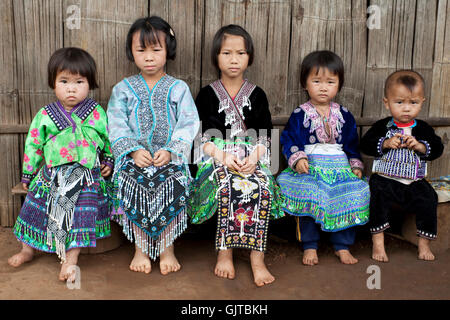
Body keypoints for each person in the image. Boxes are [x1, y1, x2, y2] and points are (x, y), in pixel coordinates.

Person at [188, 25, 284, 287]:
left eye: (240, 53)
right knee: (228, 186)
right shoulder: (206, 95)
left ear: (249, 57)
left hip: (252, 156)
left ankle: (257, 258)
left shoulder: (258, 94)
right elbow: (199, 138)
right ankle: (225, 253)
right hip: (217, 157)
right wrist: (222, 156)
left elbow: (265, 136)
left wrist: (254, 157)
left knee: (261, 187)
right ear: (215, 57)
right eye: (226, 53)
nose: (233, 59)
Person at [8, 47, 114, 283]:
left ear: (90, 84)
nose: (71, 88)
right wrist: (28, 173)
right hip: (52, 172)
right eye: (64, 81)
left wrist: (108, 159)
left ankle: (70, 259)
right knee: (34, 205)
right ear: (53, 83)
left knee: (81, 211)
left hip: (86, 175)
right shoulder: (46, 114)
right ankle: (27, 249)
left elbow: (108, 139)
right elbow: (33, 144)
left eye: (79, 81)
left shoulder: (96, 113)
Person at [107, 16, 200, 275]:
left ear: (167, 51)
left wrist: (171, 150)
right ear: (131, 53)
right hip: (134, 158)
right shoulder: (122, 89)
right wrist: (133, 151)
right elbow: (115, 124)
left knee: (172, 180)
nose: (149, 57)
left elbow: (189, 122)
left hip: (169, 158)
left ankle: (167, 246)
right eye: (141, 50)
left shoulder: (178, 88)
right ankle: (141, 247)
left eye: (156, 50)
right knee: (131, 180)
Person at [277, 50, 370, 266]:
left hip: (340, 169)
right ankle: (309, 244)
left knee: (353, 191)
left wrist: (355, 166)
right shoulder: (300, 114)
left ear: (339, 85)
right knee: (308, 192)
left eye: (330, 82)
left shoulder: (345, 115)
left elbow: (351, 145)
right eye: (316, 81)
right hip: (311, 168)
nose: (323, 87)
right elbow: (289, 139)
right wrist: (298, 159)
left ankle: (342, 245)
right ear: (305, 83)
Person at [360, 70, 444, 262]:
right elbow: (365, 145)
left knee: (428, 197)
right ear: (387, 102)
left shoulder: (423, 128)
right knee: (377, 197)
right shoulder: (383, 126)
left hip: (414, 180)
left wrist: (421, 146)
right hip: (385, 178)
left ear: (422, 101)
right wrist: (385, 144)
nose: (406, 108)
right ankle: (378, 243)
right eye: (399, 102)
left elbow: (438, 148)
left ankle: (424, 243)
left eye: (413, 103)